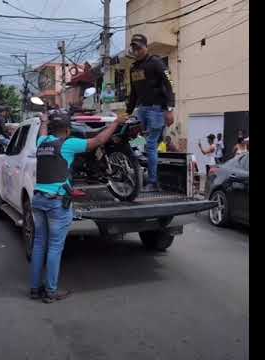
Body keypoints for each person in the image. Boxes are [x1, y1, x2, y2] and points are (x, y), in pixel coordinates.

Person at [30, 111, 128, 303]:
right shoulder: (67, 143)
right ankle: (50, 291)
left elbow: (42, 132)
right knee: (55, 247)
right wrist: (116, 122)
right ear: (67, 131)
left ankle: (35, 288)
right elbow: (98, 140)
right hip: (56, 201)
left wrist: (43, 121)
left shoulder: (41, 143)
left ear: (50, 129)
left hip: (38, 200)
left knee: (39, 244)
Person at [126, 33, 175, 192]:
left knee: (151, 145)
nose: (136, 50)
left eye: (139, 47)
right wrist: (127, 113)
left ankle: (153, 182)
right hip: (141, 109)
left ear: (146, 47)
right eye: (134, 47)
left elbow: (169, 83)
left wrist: (169, 109)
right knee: (132, 141)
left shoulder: (156, 62)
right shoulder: (133, 68)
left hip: (156, 109)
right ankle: (136, 175)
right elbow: (133, 92)